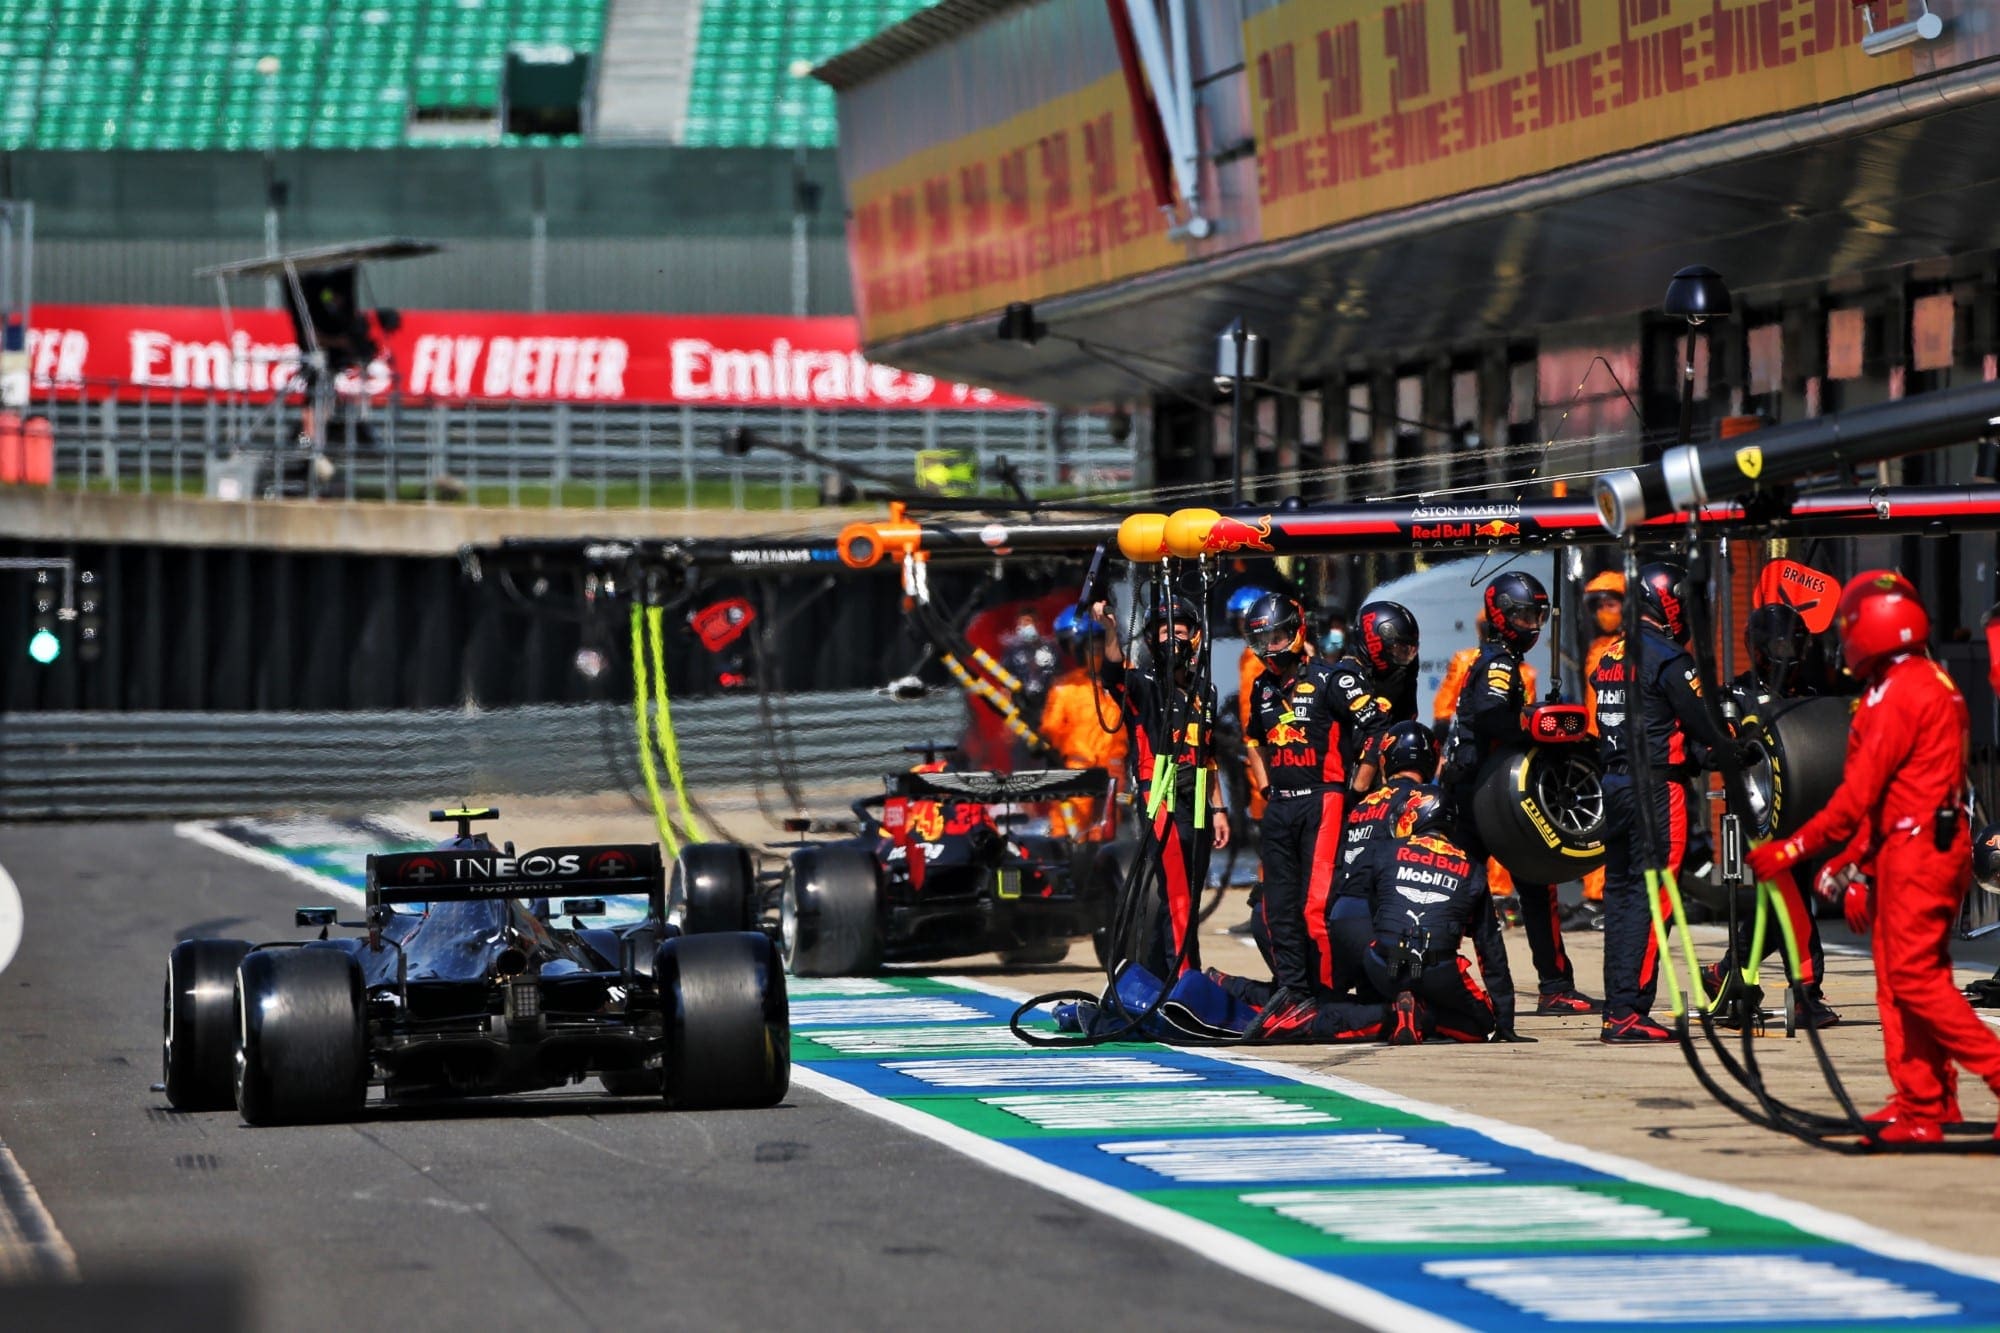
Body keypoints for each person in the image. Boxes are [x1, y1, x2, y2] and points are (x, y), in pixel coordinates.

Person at [1748, 571, 1999, 1145]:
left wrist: (1793, 848)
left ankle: (1980, 1081)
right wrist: (1853, 862)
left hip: (1920, 852)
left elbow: (1857, 795)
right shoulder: (1911, 683)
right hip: (1909, 847)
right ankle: (1923, 1105)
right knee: (1895, 982)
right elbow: (1884, 796)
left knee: (1916, 981)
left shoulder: (1902, 694)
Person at [1591, 561, 1735, 1043]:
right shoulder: (1671, 657)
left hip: (1613, 786)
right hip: (1656, 789)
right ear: (1666, 600)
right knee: (1654, 899)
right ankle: (1630, 1011)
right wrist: (1734, 742)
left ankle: (1617, 1007)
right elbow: (1706, 725)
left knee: (1622, 896)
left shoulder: (1610, 655)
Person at [1442, 571, 1597, 1015]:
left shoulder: (1501, 658)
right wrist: (1533, 722)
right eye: (1524, 616)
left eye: (1537, 616)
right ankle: (1439, 973)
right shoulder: (1497, 663)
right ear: (1501, 616)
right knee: (1465, 889)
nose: (1533, 625)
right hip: (1479, 796)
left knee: (1533, 883)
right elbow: (1492, 715)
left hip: (1489, 791)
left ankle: (1554, 985)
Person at [1093, 593, 1229, 979]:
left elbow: (1210, 754)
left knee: (1188, 891)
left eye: (1180, 631)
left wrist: (1219, 809)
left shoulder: (1207, 691)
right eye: (1164, 632)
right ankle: (1185, 975)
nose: (1172, 639)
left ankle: (1152, 971)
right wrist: (1111, 630)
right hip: (1161, 795)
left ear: (1196, 637)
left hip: (1198, 798)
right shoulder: (1142, 684)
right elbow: (1113, 673)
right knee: (1177, 893)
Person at [1713, 603, 1836, 1028]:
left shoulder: (1812, 694)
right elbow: (1716, 749)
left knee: (1779, 903)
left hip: (1803, 813)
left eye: (1795, 642)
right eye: (1782, 643)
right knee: (1792, 899)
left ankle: (1727, 972)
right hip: (1758, 817)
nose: (1790, 651)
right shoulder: (1736, 694)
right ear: (1762, 647)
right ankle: (1806, 991)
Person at [1239, 592, 1354, 1023]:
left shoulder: (1329, 678)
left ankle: (1328, 996)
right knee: (1275, 907)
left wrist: (1356, 788)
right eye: (1262, 638)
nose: (1270, 645)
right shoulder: (1261, 687)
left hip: (1323, 798)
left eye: (1277, 635)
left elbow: (1375, 728)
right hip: (1281, 805)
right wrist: (1266, 786)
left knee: (1314, 907)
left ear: (1296, 631)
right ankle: (1294, 990)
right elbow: (1253, 739)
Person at [1348, 787, 1522, 1044]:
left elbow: (1372, 912)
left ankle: (1390, 1010)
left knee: (1376, 941)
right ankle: (1423, 1015)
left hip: (1381, 964)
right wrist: (1504, 1021)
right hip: (1437, 970)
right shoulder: (1472, 868)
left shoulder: (1384, 851)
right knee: (1481, 1025)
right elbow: (1489, 947)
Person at [1326, 720, 1440, 999]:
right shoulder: (1424, 801)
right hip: (1381, 926)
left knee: (1369, 1004)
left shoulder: (1363, 804)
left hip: (1339, 923)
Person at [1039, 606, 1130, 841]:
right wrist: (1043, 744)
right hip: (1076, 773)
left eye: (1098, 647)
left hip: (1113, 770)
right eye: (1091, 648)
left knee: (1106, 834)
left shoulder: (1127, 679)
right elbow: (1049, 731)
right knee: (1068, 834)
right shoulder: (1065, 687)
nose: (1095, 653)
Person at [1572, 570, 1627, 925]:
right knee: (1598, 820)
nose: (1604, 611)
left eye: (1612, 604)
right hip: (1596, 743)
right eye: (1600, 606)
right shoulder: (1594, 648)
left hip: (1623, 746)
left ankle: (1605, 898)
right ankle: (1595, 897)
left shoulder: (1632, 646)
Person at [1329, 600, 1421, 793]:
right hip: (1350, 778)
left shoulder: (1400, 674)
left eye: (1409, 650)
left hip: (1386, 775)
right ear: (1375, 642)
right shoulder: (1347, 676)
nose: (1405, 657)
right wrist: (1358, 788)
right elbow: (1371, 732)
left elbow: (1408, 718)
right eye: (1398, 649)